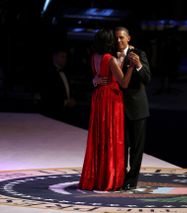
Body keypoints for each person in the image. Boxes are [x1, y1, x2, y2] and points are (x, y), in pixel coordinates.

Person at [94, 26, 151, 190]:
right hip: (116, 109)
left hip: (137, 108)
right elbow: (98, 72)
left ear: (129, 38)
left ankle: (131, 181)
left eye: (121, 37)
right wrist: (95, 81)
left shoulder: (138, 54)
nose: (118, 41)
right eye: (116, 38)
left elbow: (147, 79)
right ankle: (119, 177)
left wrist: (139, 65)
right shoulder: (109, 54)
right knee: (120, 146)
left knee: (136, 148)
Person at [79, 28, 134, 191]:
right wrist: (131, 67)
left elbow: (96, 77)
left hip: (98, 98)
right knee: (111, 138)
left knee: (99, 138)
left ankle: (96, 178)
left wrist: (95, 80)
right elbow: (123, 83)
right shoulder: (109, 59)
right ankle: (110, 179)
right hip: (111, 99)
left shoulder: (94, 57)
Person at [40, 47, 77, 123]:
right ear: (55, 57)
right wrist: (65, 102)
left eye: (65, 57)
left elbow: (69, 90)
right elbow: (48, 94)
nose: (65, 59)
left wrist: (72, 99)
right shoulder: (48, 74)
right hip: (53, 113)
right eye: (62, 56)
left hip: (66, 113)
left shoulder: (66, 73)